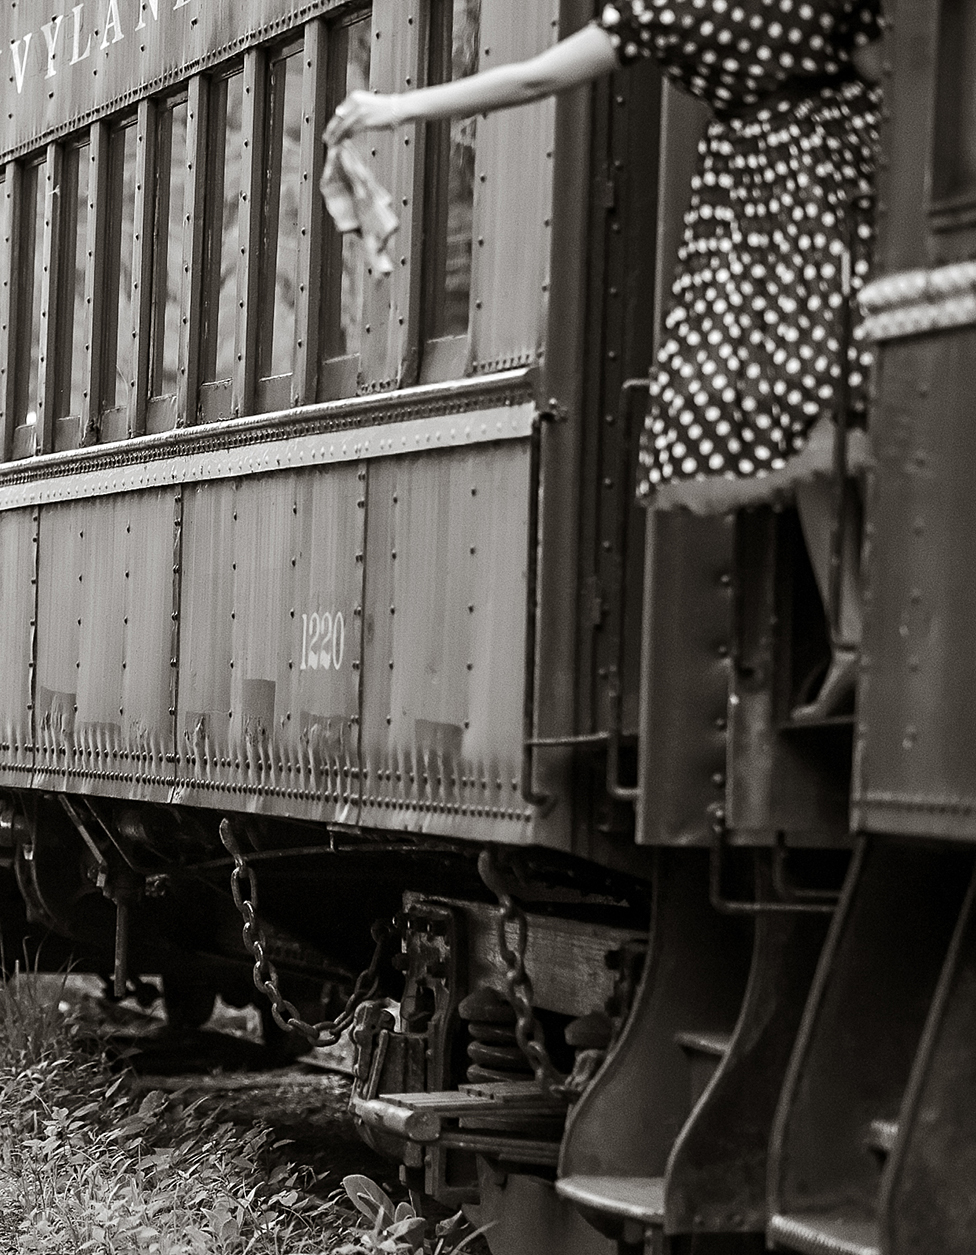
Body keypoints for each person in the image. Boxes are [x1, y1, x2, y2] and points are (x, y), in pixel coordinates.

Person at [324, 0, 882, 719]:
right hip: (852, 174)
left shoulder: (664, 9)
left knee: (805, 417)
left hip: (758, 206)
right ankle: (875, 629)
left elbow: (531, 79)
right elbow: (887, 73)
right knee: (866, 392)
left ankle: (853, 637)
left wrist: (394, 108)